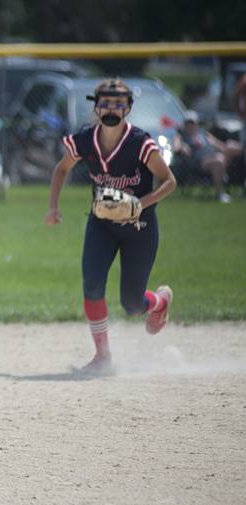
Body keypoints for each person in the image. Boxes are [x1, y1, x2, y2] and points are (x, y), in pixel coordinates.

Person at [44, 79, 177, 373]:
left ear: (128, 108)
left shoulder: (140, 143)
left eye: (119, 103)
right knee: (92, 284)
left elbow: (170, 181)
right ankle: (102, 356)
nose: (111, 108)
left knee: (131, 304)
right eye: (105, 102)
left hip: (139, 227)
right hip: (101, 224)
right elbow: (62, 168)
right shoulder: (86, 139)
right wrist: (53, 207)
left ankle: (158, 302)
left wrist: (142, 202)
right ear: (96, 106)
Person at [173, 110, 240, 203]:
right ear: (184, 125)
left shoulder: (204, 134)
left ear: (196, 124)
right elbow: (176, 147)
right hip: (200, 163)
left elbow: (220, 145)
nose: (190, 125)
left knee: (230, 147)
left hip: (216, 157)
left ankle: (224, 175)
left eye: (192, 123)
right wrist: (182, 147)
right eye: (188, 123)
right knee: (218, 162)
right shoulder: (181, 136)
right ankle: (219, 194)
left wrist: (228, 148)